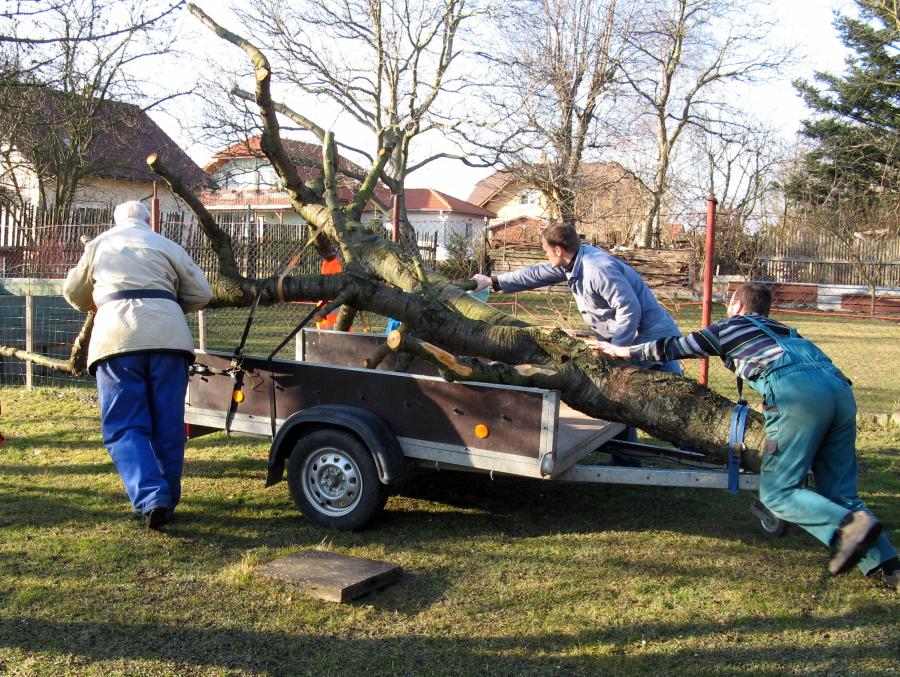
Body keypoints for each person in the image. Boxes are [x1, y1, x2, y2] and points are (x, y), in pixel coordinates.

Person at [589, 282, 898, 590]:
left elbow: (674, 347)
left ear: (736, 306)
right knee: (841, 494)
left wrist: (621, 350)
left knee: (779, 493)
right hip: (840, 390)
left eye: (728, 305)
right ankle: (888, 567)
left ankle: (851, 526)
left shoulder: (729, 327)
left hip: (799, 396)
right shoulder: (785, 330)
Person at [471, 223, 683, 457]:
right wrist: (495, 282)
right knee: (641, 397)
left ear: (558, 250)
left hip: (648, 336)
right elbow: (537, 274)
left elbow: (629, 309)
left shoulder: (597, 268)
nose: (545, 254)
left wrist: (617, 348)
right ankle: (630, 456)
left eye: (546, 249)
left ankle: (696, 453)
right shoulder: (576, 262)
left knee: (633, 396)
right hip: (645, 334)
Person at [64, 200, 211, 530]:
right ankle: (167, 500)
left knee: (125, 425)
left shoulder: (102, 244)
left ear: (115, 220)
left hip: (116, 340)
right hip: (169, 340)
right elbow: (201, 293)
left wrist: (97, 297)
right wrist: (167, 300)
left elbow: (73, 293)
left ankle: (151, 497)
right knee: (168, 423)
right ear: (149, 221)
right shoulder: (166, 245)